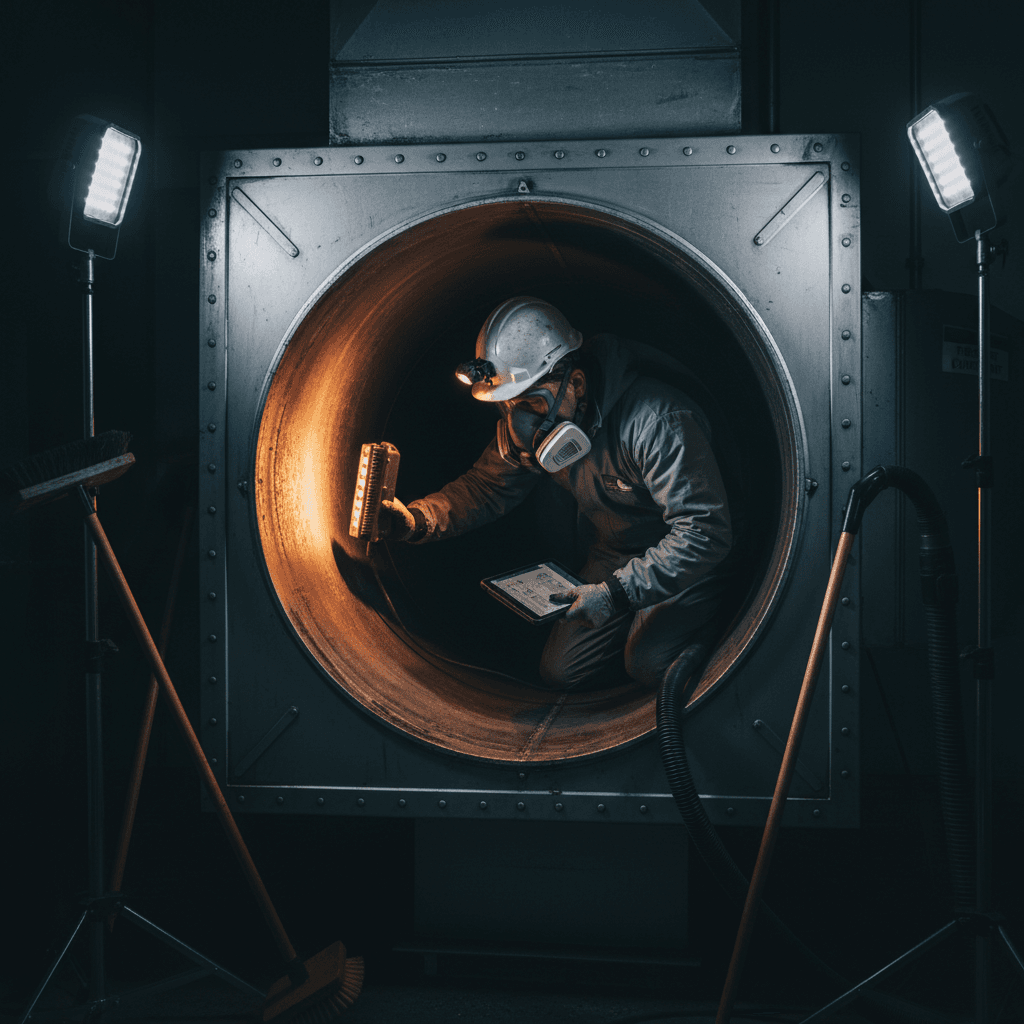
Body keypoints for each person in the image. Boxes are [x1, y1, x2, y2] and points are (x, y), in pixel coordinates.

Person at [381, 296, 740, 690]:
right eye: (509, 408)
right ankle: (644, 624)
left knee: (648, 661)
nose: (523, 427)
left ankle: (715, 621)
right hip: (617, 553)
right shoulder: (537, 431)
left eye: (533, 403)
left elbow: (703, 531)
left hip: (689, 553)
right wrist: (419, 520)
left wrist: (615, 594)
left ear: (578, 385)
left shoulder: (656, 421)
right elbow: (486, 488)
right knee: (562, 671)